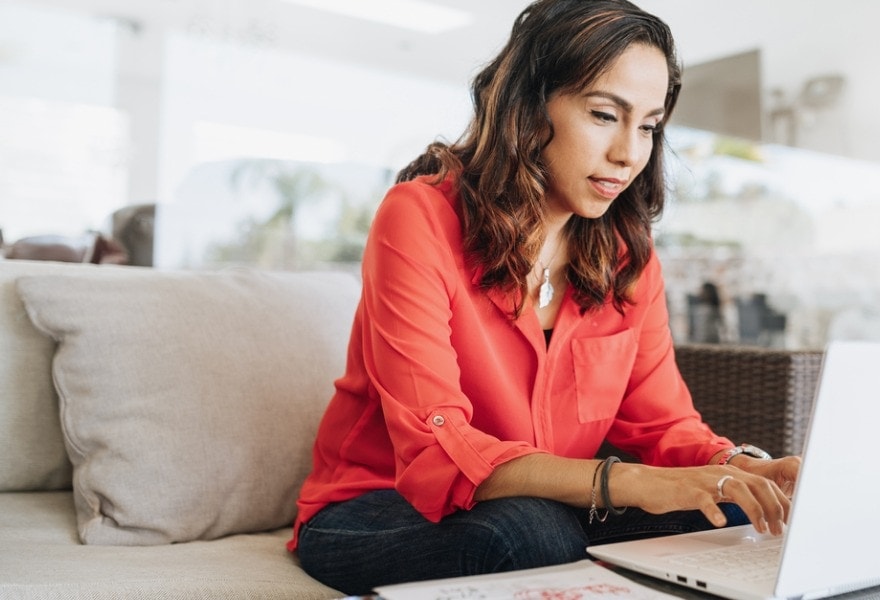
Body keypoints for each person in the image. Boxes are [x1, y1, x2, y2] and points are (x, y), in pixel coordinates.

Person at [290, 0, 802, 594]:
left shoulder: (627, 258)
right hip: (377, 508)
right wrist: (632, 485)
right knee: (531, 533)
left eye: (649, 126)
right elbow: (438, 449)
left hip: (555, 503)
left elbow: (664, 426)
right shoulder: (419, 216)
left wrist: (741, 470)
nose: (630, 153)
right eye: (606, 115)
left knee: (737, 512)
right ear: (530, 107)